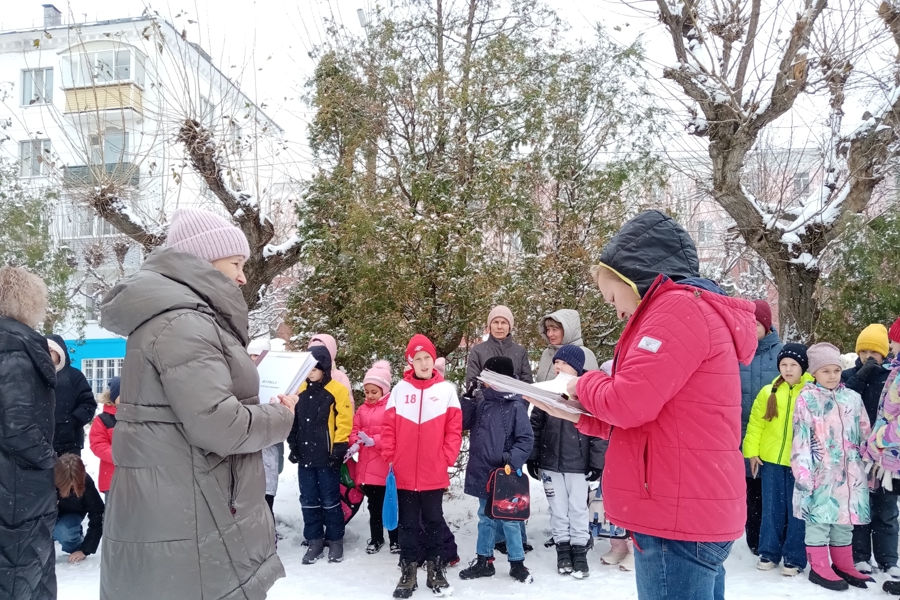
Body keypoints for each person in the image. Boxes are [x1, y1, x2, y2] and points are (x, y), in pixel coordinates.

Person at [525, 210, 757, 600]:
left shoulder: (678, 309)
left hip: (677, 512)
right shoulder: (687, 310)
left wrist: (582, 383)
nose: (616, 310)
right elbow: (658, 418)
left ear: (635, 275)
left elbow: (630, 401)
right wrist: (580, 415)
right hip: (686, 504)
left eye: (613, 295)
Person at [97, 207, 297, 600]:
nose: (242, 276)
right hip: (192, 510)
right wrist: (281, 416)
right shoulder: (183, 322)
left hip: (186, 503)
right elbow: (220, 424)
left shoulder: (180, 318)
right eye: (235, 263)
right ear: (203, 262)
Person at [382, 334, 462, 598]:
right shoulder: (399, 391)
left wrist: (446, 458)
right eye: (418, 359)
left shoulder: (446, 391)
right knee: (407, 524)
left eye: (427, 357)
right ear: (410, 362)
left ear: (433, 359)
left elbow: (454, 430)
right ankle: (408, 571)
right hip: (403, 472)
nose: (424, 363)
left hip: (433, 472)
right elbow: (388, 428)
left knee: (433, 521)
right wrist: (391, 457)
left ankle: (436, 569)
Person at [792, 342, 873, 591]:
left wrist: (867, 465)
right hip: (819, 473)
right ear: (814, 372)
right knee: (818, 521)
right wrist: (804, 475)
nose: (832, 376)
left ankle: (843, 564)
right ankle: (818, 567)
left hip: (849, 474)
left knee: (843, 520)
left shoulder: (853, 398)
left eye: (836, 370)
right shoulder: (807, 400)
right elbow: (801, 440)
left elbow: (864, 432)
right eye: (825, 371)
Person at [0, 266, 58, 600]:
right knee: (21, 581)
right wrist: (47, 460)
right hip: (19, 492)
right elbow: (16, 425)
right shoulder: (12, 346)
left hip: (17, 490)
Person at [527, 345, 606, 578]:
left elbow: (598, 431)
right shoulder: (548, 391)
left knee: (578, 509)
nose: (558, 366)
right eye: (556, 363)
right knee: (558, 509)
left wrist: (596, 462)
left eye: (563, 363)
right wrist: (533, 457)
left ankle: (579, 550)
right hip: (551, 463)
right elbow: (535, 425)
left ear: (577, 367)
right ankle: (563, 549)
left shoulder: (586, 393)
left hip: (578, 465)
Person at [459, 356, 535, 584]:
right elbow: (462, 423)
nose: (483, 380)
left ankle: (517, 562)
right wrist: (468, 398)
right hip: (482, 471)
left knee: (510, 519)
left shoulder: (516, 405)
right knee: (485, 517)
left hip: (505, 474)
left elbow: (525, 439)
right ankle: (484, 560)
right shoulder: (481, 402)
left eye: (488, 375)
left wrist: (509, 461)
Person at [742, 344, 812, 575]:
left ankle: (794, 557)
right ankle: (768, 552)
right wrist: (752, 452)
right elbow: (756, 424)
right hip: (770, 460)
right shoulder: (768, 391)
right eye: (784, 365)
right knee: (771, 508)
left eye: (793, 365)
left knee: (797, 511)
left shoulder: (811, 391)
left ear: (803, 367)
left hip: (800, 462)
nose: (788, 369)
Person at [841, 324, 900, 577]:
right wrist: (862, 375)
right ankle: (860, 556)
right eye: (863, 351)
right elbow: (842, 400)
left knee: (886, 509)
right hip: (856, 451)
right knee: (859, 506)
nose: (868, 357)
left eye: (873, 352)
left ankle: (888, 560)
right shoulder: (846, 376)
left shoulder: (890, 376)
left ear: (884, 352)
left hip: (882, 454)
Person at [287, 344, 353, 564]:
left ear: (324, 367)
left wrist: (339, 448)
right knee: (308, 500)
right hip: (305, 456)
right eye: (308, 368)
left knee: (330, 500)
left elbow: (344, 422)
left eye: (315, 367)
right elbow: (293, 420)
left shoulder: (337, 391)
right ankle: (314, 540)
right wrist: (293, 445)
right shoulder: (299, 391)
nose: (311, 372)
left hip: (327, 457)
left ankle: (335, 540)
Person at [739, 300, 783, 556]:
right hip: (742, 433)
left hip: (773, 435)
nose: (750, 328)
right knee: (751, 490)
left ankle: (775, 537)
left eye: (755, 324)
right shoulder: (736, 351)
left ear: (766, 326)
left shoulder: (781, 353)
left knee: (773, 490)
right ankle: (754, 538)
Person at [349, 360, 398, 554]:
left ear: (384, 390)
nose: (369, 396)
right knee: (374, 507)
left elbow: (393, 434)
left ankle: (395, 539)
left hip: (386, 467)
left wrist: (374, 441)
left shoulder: (391, 408)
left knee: (391, 504)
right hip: (368, 468)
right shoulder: (362, 410)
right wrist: (355, 442)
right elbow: (355, 429)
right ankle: (376, 538)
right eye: (367, 391)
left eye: (373, 392)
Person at [248, 338, 283, 520]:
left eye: (257, 355)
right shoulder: (242, 378)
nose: (254, 359)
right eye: (251, 355)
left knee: (267, 491)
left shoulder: (277, 378)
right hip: (248, 442)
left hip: (269, 443)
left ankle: (268, 530)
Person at [46, 334, 97, 457]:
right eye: (43, 350)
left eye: (51, 350)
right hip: (41, 443)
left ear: (59, 352)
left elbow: (88, 403)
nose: (47, 353)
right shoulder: (36, 376)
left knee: (68, 475)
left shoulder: (74, 376)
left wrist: (72, 422)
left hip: (69, 443)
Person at [465, 306, 533, 389]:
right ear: (490, 326)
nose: (499, 326)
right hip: (485, 401)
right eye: (495, 322)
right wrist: (487, 400)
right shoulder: (478, 351)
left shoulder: (520, 352)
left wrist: (515, 400)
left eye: (504, 322)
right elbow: (472, 383)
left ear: (509, 327)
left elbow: (527, 384)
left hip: (515, 401)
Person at [53, 453, 104, 563]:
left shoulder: (86, 482)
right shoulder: (46, 479)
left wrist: (85, 549)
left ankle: (75, 544)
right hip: (47, 515)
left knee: (63, 531)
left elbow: (97, 514)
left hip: (72, 514)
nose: (71, 485)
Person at [534, 310, 600, 383]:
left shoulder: (584, 353)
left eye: (554, 330)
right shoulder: (547, 352)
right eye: (548, 330)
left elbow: (590, 386)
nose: (550, 334)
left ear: (567, 331)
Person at [89, 377, 120, 495]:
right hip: (112, 478)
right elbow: (98, 444)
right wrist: (118, 455)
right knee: (113, 512)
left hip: (137, 479)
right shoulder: (103, 419)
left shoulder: (138, 418)